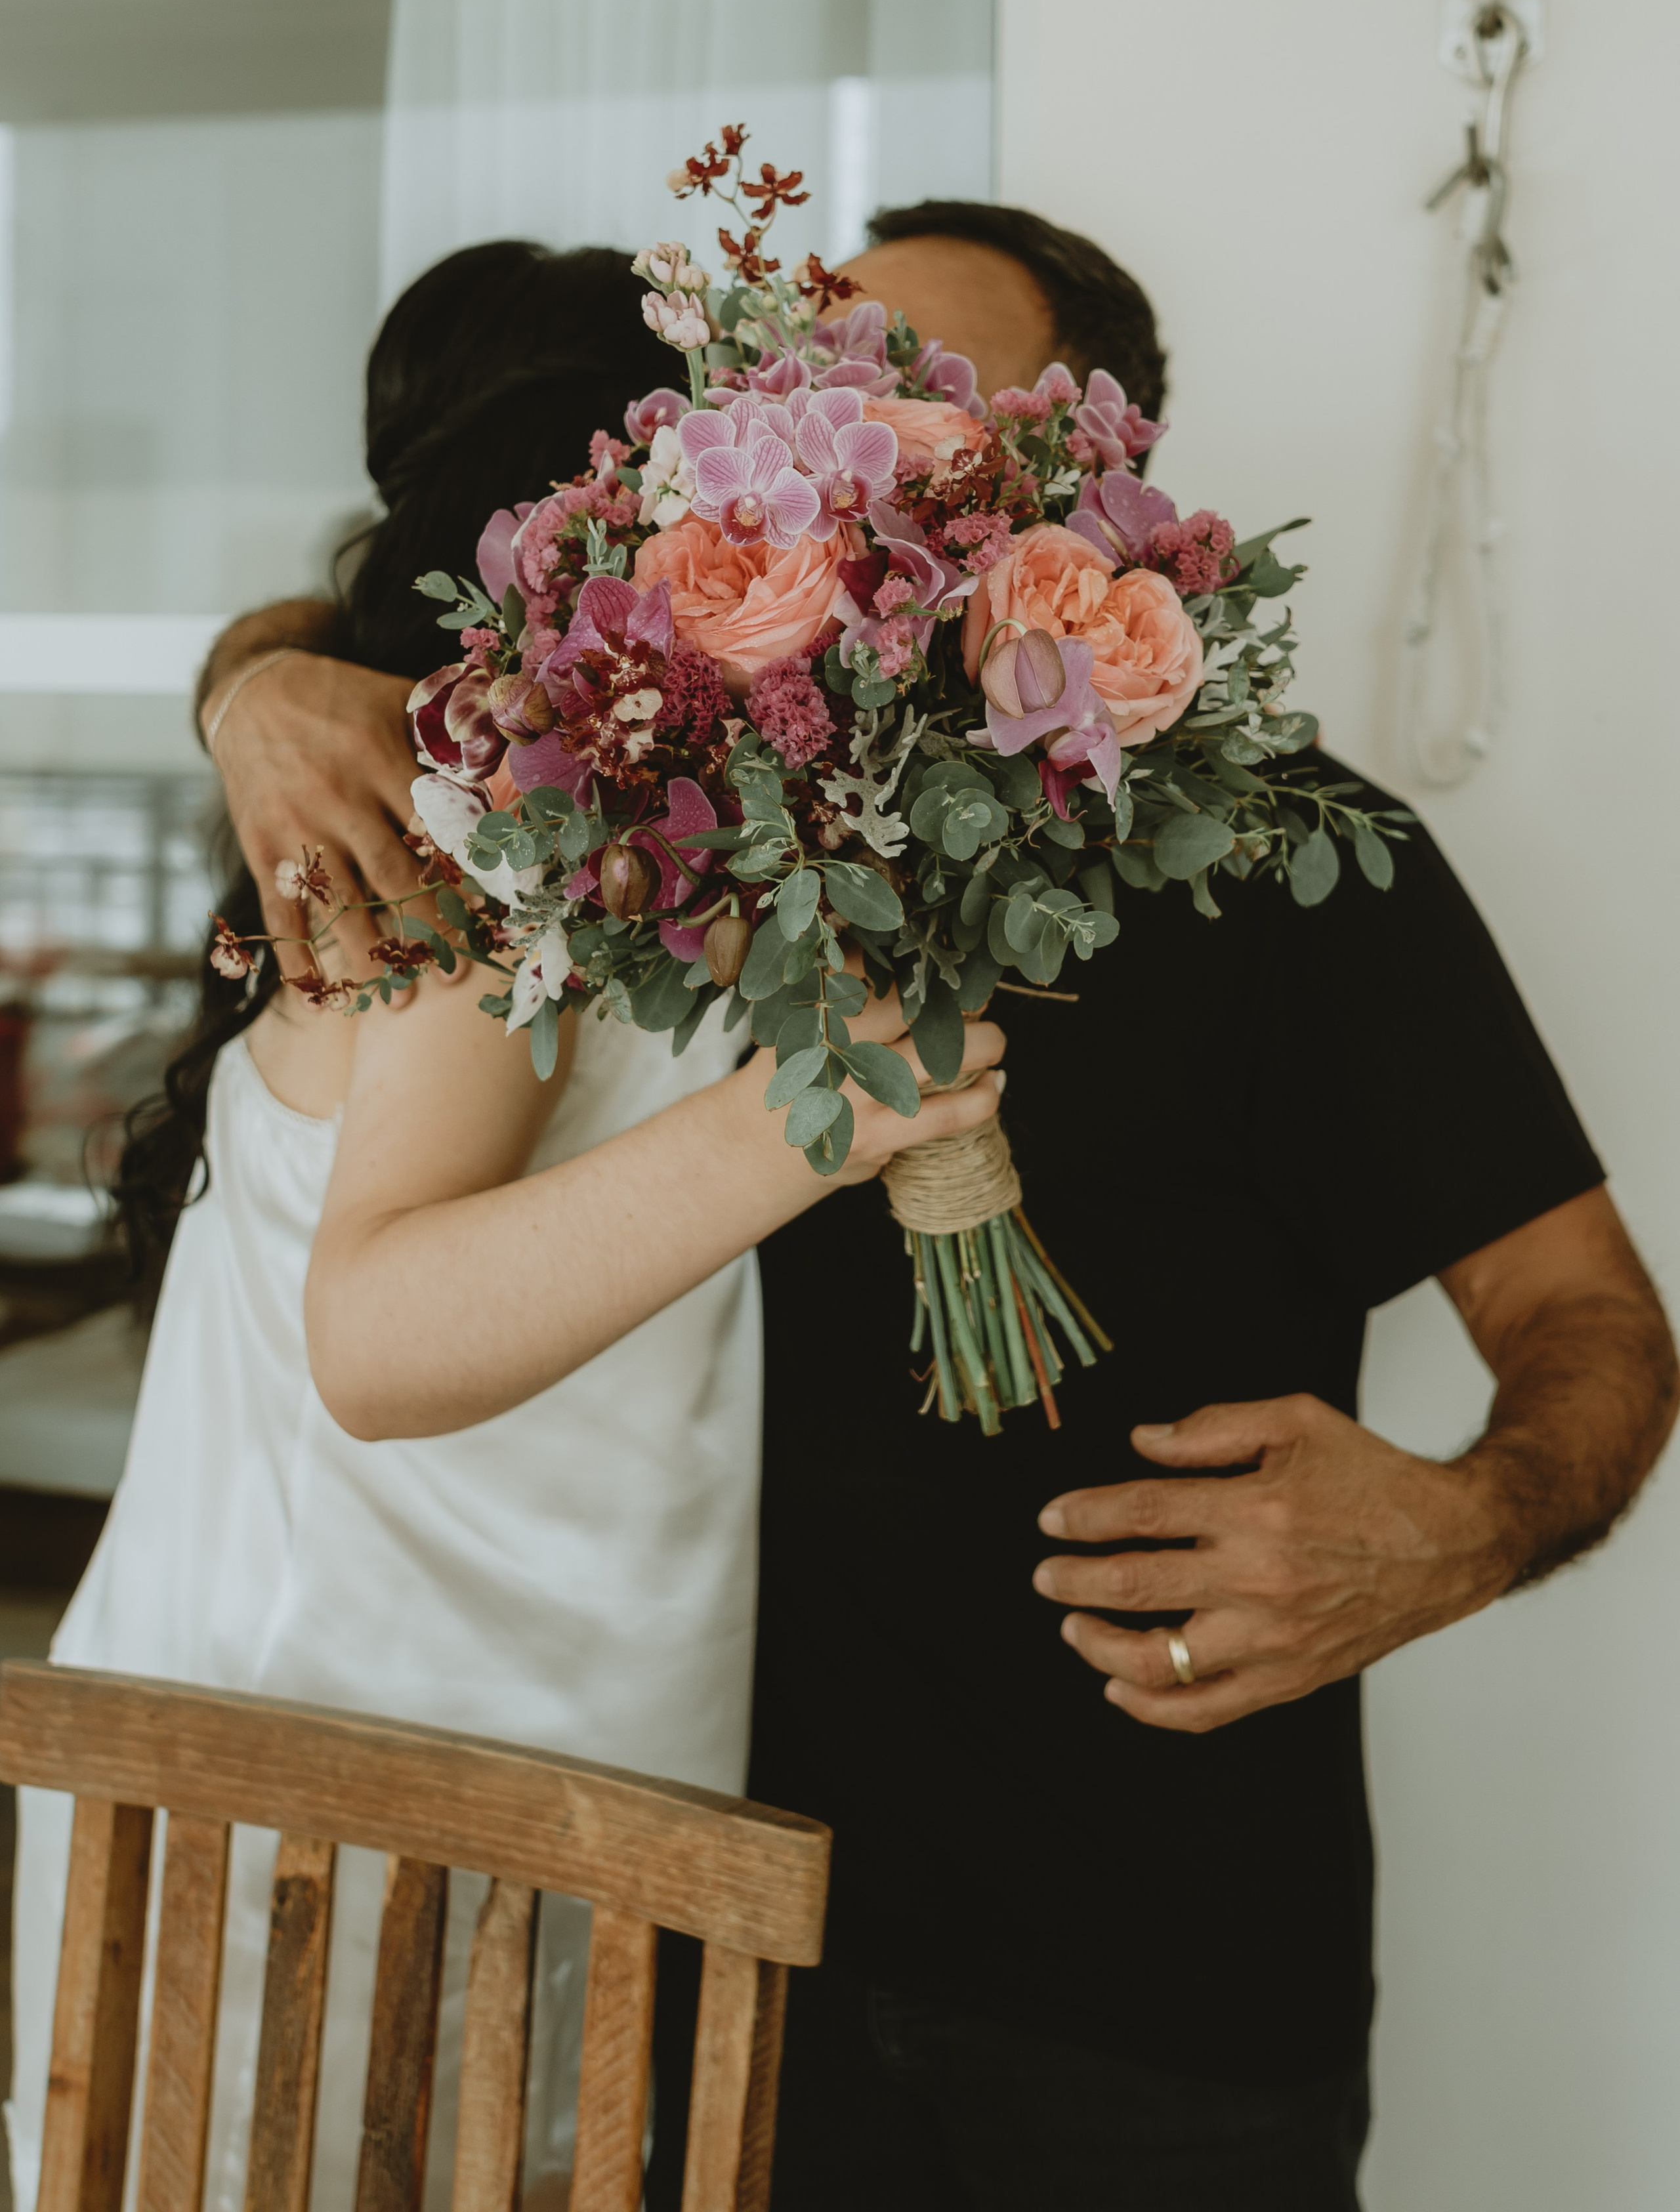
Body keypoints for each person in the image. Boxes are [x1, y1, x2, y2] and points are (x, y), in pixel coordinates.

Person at [190, 202, 1677, 2212]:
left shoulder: (1298, 864)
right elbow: (419, 611)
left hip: (1156, 1994)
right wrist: (263, 678)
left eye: (921, 420)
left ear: (1093, 494)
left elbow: (1594, 1323)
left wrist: (1457, 1523)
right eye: (804, 397)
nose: (842, 448)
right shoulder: (656, 812)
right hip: (708, 1948)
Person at [5, 241, 1001, 2212]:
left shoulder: (646, 812)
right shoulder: (484, 823)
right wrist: (828, 1116)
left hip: (523, 1757)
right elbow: (372, 1342)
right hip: (319, 1789)